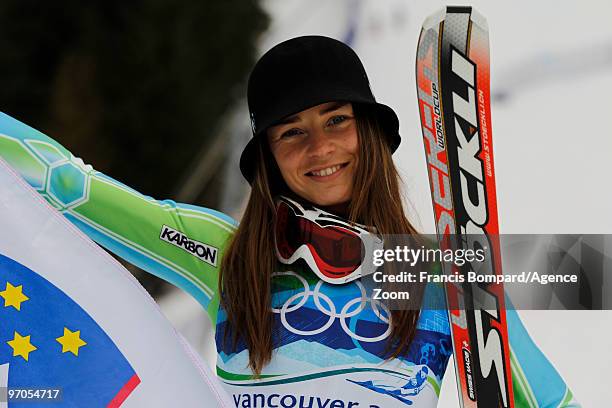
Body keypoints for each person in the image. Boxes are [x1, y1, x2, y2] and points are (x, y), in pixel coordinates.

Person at [0, 36, 580, 407]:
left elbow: (552, 392)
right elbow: (70, 187)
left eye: (337, 120)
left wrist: (491, 283)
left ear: (370, 134)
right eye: (292, 131)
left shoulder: (432, 269)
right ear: (269, 158)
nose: (321, 148)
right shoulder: (228, 257)